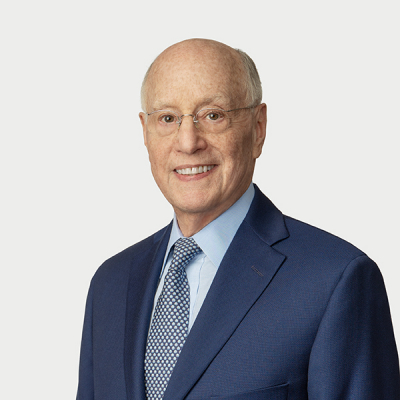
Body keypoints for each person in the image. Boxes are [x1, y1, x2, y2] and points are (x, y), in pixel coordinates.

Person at [77, 39, 400, 399]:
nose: (188, 142)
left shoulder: (334, 280)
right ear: (145, 131)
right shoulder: (110, 284)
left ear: (258, 127)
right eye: (167, 118)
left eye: (213, 115)